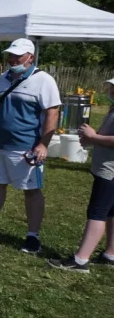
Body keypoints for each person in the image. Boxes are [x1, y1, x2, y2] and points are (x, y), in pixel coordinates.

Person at [0, 39, 61, 254]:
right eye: (10, 55)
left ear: (30, 57)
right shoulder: (5, 78)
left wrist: (43, 144)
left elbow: (53, 113)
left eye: (18, 56)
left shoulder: (44, 80)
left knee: (31, 191)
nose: (12, 59)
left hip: (26, 146)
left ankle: (33, 236)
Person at [49, 78, 114, 272]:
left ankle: (80, 260)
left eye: (113, 87)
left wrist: (93, 137)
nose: (110, 90)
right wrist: (92, 140)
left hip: (110, 171)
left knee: (97, 212)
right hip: (106, 168)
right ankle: (110, 254)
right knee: (111, 212)